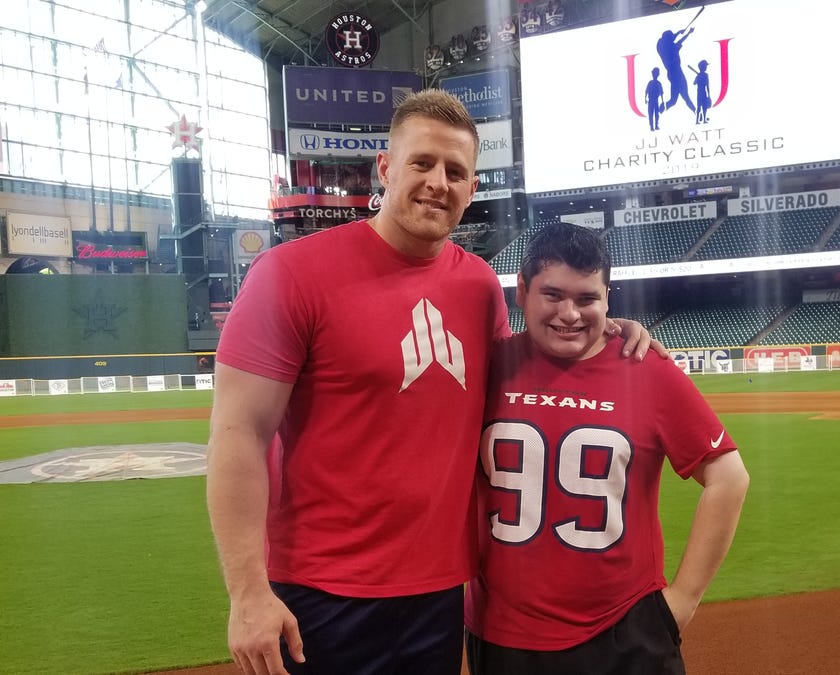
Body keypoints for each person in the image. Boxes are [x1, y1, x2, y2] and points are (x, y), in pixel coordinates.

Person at [207, 90, 657, 675]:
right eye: (422, 163)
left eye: (456, 171)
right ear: (387, 168)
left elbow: (526, 384)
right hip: (320, 592)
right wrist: (246, 595)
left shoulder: (477, 286)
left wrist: (606, 330)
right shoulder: (290, 274)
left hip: (439, 593)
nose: (438, 182)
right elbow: (238, 435)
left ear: (472, 188)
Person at [465, 223, 750, 675]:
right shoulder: (487, 364)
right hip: (504, 635)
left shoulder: (642, 366)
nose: (569, 314)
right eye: (553, 295)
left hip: (625, 632)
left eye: (586, 299)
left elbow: (728, 477)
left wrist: (682, 602)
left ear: (607, 298)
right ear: (521, 290)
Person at [645, 67, 664, 131]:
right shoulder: (650, 83)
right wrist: (645, 99)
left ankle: (656, 125)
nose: (655, 75)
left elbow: (661, 93)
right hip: (651, 100)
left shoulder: (659, 83)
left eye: (656, 73)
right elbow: (646, 91)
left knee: (656, 114)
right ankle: (651, 126)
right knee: (651, 113)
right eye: (654, 73)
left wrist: (662, 101)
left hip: (656, 100)